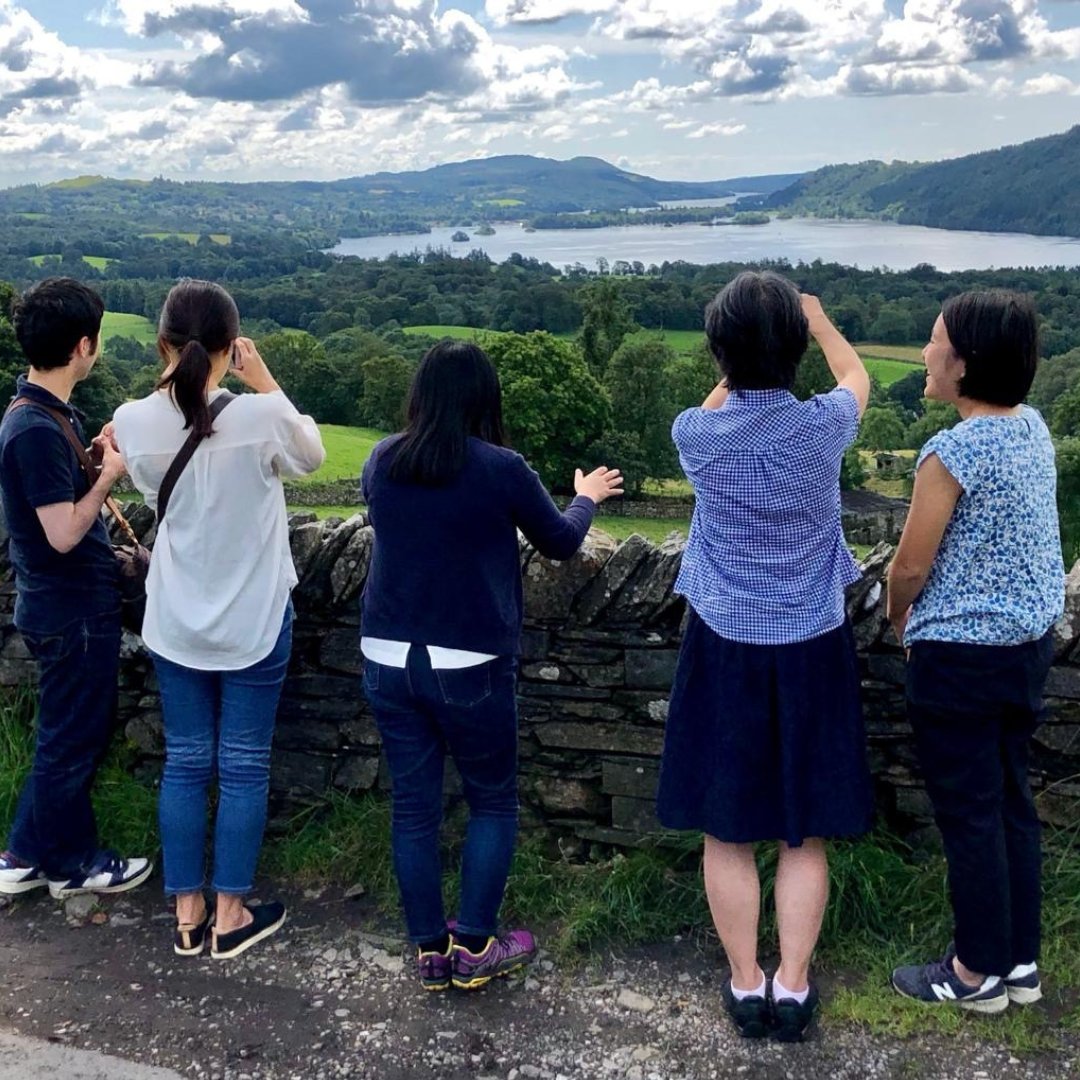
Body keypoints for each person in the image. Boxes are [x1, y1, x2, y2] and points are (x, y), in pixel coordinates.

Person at [360, 339, 622, 992]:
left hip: (387, 655)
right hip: (469, 660)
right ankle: (474, 945)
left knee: (414, 810)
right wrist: (586, 495)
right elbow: (561, 543)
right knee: (492, 802)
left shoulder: (380, 460)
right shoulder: (499, 467)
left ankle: (429, 953)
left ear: (420, 395)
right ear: (484, 399)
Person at [656, 271, 874, 1042]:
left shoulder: (696, 435)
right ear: (791, 352)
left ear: (720, 351)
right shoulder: (823, 428)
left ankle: (746, 983)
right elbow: (857, 376)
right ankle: (794, 982)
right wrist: (815, 323)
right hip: (812, 644)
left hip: (723, 646)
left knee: (728, 827)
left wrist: (740, 364)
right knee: (801, 830)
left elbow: (722, 403)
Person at [111, 279, 325, 959]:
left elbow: (149, 481)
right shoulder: (259, 417)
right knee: (242, 764)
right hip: (255, 617)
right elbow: (312, 455)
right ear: (232, 347)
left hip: (176, 617)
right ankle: (230, 913)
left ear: (162, 342)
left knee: (185, 763)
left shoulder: (132, 420)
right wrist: (263, 378)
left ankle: (187, 911)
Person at [887, 291, 1064, 1014]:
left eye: (935, 342)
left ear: (963, 364)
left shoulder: (950, 450)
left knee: (968, 814)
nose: (926, 353)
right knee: (1012, 805)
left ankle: (973, 974)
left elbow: (910, 566)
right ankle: (1020, 963)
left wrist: (898, 619)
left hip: (959, 659)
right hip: (1027, 650)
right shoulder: (1034, 428)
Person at [0, 278, 153, 901]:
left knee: (64, 735)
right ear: (84, 346)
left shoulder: (43, 413)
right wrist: (110, 476)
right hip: (69, 611)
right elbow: (62, 532)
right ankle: (74, 864)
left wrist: (90, 461)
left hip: (62, 605)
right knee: (74, 739)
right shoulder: (35, 427)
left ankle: (23, 854)